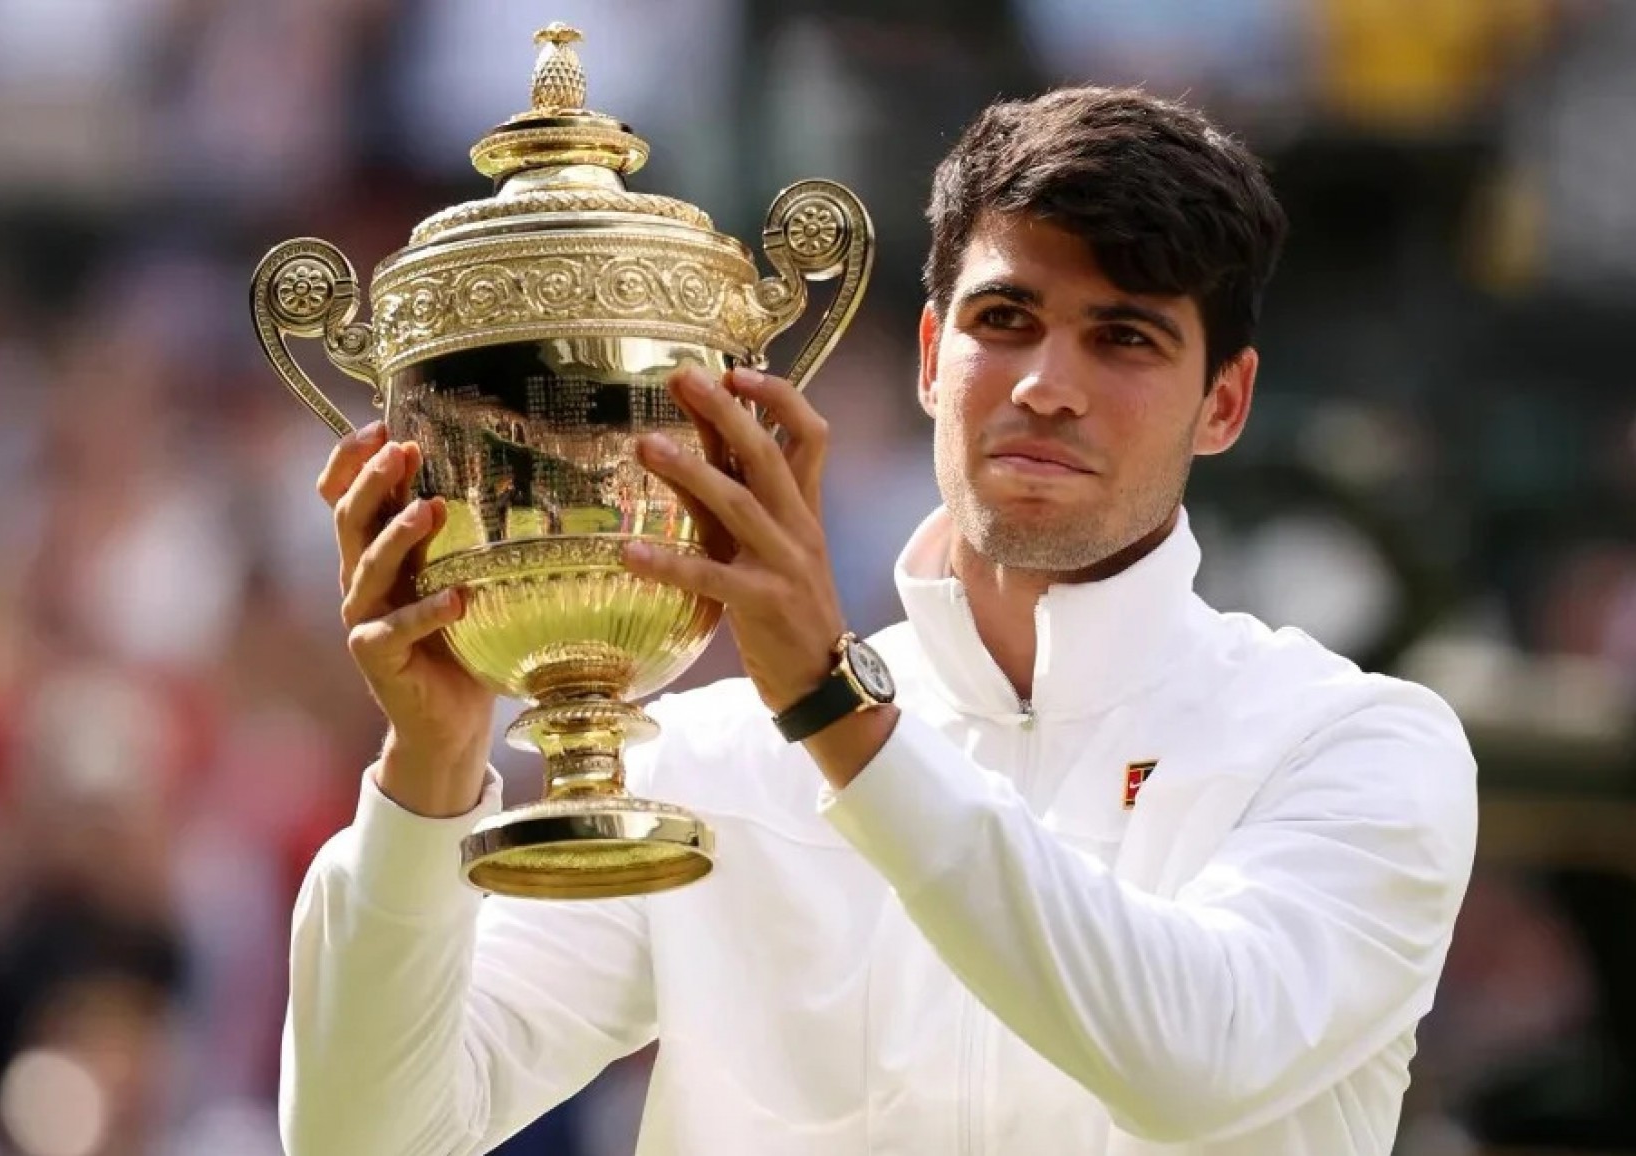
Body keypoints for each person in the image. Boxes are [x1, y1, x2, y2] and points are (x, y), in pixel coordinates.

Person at [281, 86, 1479, 1156]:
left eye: (1124, 337)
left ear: (1225, 402)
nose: (1045, 385)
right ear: (928, 355)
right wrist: (428, 772)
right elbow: (366, 1140)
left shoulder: (1357, 745)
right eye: (1005, 319)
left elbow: (1192, 1063)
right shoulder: (706, 767)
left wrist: (833, 706)